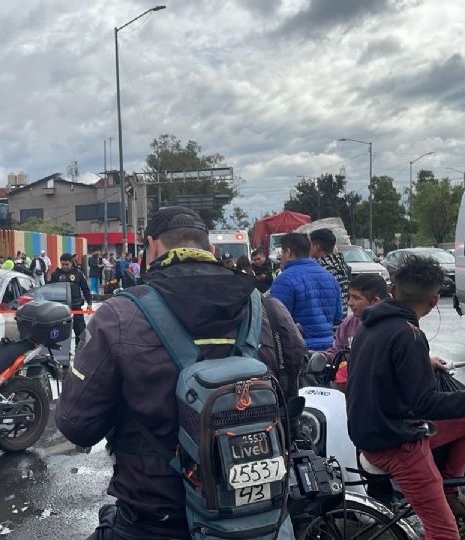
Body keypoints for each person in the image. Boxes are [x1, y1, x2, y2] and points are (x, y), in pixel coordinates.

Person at [56, 206, 295, 539]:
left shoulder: (121, 316)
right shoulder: (268, 309)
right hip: (257, 517)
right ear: (210, 250)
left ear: (151, 246)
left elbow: (76, 426)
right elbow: (293, 396)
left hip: (155, 516)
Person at [347, 255, 465, 539]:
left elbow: (381, 365)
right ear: (434, 301)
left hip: (373, 430)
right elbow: (427, 403)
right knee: (444, 532)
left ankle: (450, 490)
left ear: (392, 291)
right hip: (395, 442)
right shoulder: (409, 335)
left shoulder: (370, 326)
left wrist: (422, 363)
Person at [269, 233, 342, 351]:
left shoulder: (284, 280)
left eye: (282, 253)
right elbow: (338, 317)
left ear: (288, 252)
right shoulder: (329, 277)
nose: (280, 257)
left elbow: (276, 321)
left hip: (298, 350)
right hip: (329, 349)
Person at [322, 273, 389, 391]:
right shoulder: (348, 323)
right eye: (349, 297)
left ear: (375, 301)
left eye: (356, 298)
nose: (349, 303)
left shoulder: (393, 327)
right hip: (349, 391)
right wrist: (322, 357)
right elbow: (337, 351)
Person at [49, 253, 93, 348]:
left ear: (71, 263)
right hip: (60, 310)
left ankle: (80, 352)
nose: (64, 266)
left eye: (67, 264)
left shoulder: (78, 273)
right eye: (63, 264)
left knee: (82, 333)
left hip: (76, 308)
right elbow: (49, 291)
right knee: (60, 335)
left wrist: (89, 303)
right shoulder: (55, 275)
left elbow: (85, 288)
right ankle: (63, 356)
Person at [310, 229, 351, 313]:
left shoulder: (319, 269)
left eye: (310, 244)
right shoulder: (341, 265)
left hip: (329, 319)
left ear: (317, 246)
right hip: (342, 318)